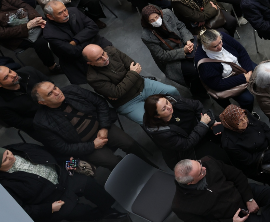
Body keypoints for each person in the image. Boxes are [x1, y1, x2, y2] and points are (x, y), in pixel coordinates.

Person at [31, 81, 156, 170]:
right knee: (114, 163)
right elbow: (62, 148)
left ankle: (150, 167)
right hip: (84, 145)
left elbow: (100, 103)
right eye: (50, 94)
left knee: (130, 144)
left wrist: (104, 127)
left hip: (101, 127)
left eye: (55, 88)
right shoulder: (41, 122)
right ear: (42, 102)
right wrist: (92, 145)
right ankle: (137, 176)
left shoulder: (72, 90)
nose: (57, 92)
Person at [0, 143, 128, 222]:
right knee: (80, 212)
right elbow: (22, 210)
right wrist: (48, 209)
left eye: (8, 153)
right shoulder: (4, 187)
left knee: (90, 184)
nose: (12, 157)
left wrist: (69, 162)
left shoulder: (18, 149)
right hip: (51, 200)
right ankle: (101, 216)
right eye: (6, 160)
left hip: (63, 176)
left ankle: (111, 208)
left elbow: (49, 153)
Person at [83, 44, 180, 124]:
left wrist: (121, 87)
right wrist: (132, 73)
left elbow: (134, 65)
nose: (105, 58)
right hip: (127, 102)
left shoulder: (112, 51)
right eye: (98, 59)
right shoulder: (93, 78)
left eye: (103, 53)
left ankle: (181, 112)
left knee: (172, 91)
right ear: (90, 63)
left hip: (143, 86)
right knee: (147, 121)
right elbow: (117, 92)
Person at [172, 156, 270, 222]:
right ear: (190, 182)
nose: (204, 167)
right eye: (201, 172)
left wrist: (249, 199)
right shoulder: (181, 206)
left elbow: (237, 175)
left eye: (199, 164)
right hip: (234, 216)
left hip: (240, 193)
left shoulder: (208, 161)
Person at [144, 94, 230, 168]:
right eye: (164, 109)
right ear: (157, 116)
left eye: (167, 102)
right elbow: (186, 144)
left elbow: (196, 105)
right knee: (221, 157)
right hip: (191, 149)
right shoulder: (162, 133)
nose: (169, 107)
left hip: (200, 126)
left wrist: (211, 123)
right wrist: (203, 124)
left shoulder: (173, 100)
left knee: (228, 129)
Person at [140, 5, 205, 96]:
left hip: (184, 43)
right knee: (193, 71)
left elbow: (180, 26)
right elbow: (162, 55)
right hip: (172, 58)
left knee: (203, 57)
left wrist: (188, 40)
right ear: (147, 22)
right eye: (152, 20)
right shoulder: (147, 36)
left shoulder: (167, 13)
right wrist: (183, 51)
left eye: (156, 17)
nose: (156, 21)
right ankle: (198, 92)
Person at [41, 1, 110, 84]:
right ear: (50, 17)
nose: (66, 14)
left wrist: (76, 41)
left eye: (65, 10)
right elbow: (73, 52)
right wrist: (89, 38)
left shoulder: (74, 11)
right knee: (102, 79)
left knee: (115, 58)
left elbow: (93, 27)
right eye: (60, 13)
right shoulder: (49, 34)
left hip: (97, 44)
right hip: (79, 59)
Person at [219, 104, 270, 182]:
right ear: (232, 125)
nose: (245, 121)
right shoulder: (229, 144)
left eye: (244, 117)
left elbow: (263, 127)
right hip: (259, 160)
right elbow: (250, 160)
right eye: (240, 121)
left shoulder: (245, 114)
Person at [195, 29, 256, 110]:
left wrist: (249, 71)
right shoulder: (204, 64)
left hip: (239, 65)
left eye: (220, 42)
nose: (220, 47)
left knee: (263, 72)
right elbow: (217, 84)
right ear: (206, 46)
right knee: (248, 99)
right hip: (227, 79)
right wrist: (243, 78)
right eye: (215, 46)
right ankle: (248, 114)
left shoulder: (221, 36)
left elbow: (241, 50)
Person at [0, 0, 59, 74]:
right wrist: (27, 26)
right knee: (41, 43)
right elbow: (3, 33)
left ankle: (67, 46)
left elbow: (23, 4)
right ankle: (52, 67)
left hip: (27, 20)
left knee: (52, 22)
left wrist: (35, 18)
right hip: (14, 37)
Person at [0, 66, 50, 137]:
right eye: (6, 77)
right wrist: (45, 121)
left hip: (55, 106)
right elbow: (20, 123)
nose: (13, 75)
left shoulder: (29, 72)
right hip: (39, 125)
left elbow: (50, 84)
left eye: (10, 71)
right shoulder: (2, 104)